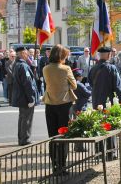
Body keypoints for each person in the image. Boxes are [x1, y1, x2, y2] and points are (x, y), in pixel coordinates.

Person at [43, 44, 77, 173]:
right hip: (64, 105)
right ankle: (62, 165)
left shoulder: (45, 68)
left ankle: (54, 165)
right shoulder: (66, 68)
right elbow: (74, 86)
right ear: (62, 56)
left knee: (52, 136)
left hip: (50, 104)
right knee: (63, 135)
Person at [11, 46, 37, 146]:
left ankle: (21, 138)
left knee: (22, 118)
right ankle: (25, 139)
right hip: (25, 98)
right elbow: (28, 84)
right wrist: (31, 98)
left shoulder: (17, 64)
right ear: (22, 54)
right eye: (26, 53)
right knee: (26, 119)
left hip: (21, 97)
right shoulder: (23, 66)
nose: (28, 55)